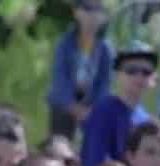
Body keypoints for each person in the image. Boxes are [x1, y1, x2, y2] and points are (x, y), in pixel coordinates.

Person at [79, 42, 158, 166]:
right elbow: (94, 164)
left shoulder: (147, 121)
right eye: (131, 71)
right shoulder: (104, 111)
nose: (139, 76)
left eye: (146, 72)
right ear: (118, 75)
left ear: (154, 79)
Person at [47, 0, 115, 141]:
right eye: (87, 9)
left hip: (91, 107)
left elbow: (105, 82)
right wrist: (72, 105)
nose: (92, 15)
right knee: (59, 144)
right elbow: (60, 77)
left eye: (97, 10)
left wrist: (92, 109)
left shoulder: (106, 48)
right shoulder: (65, 43)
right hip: (64, 105)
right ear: (76, 13)